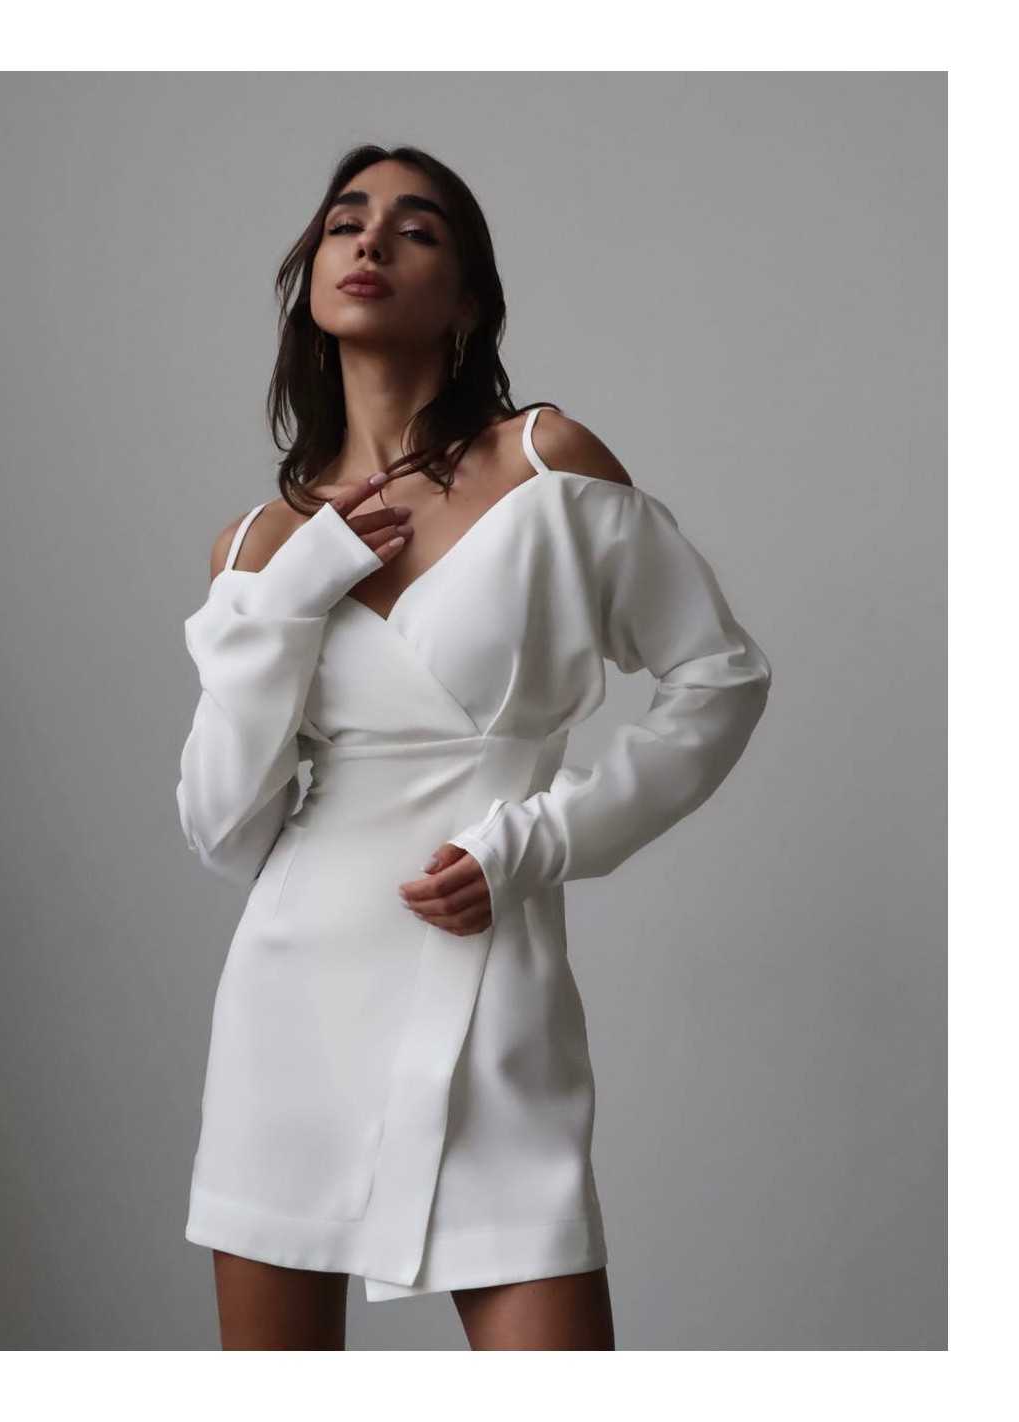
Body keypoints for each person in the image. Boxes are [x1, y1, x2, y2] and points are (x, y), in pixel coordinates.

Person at [175, 145, 772, 1351]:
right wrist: (292, 594)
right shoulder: (257, 545)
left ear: (467, 298)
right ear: (311, 277)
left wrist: (539, 841)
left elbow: (719, 678)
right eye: (344, 222)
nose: (369, 242)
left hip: (488, 977)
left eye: (416, 229)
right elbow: (224, 828)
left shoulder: (544, 465)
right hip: (289, 1009)